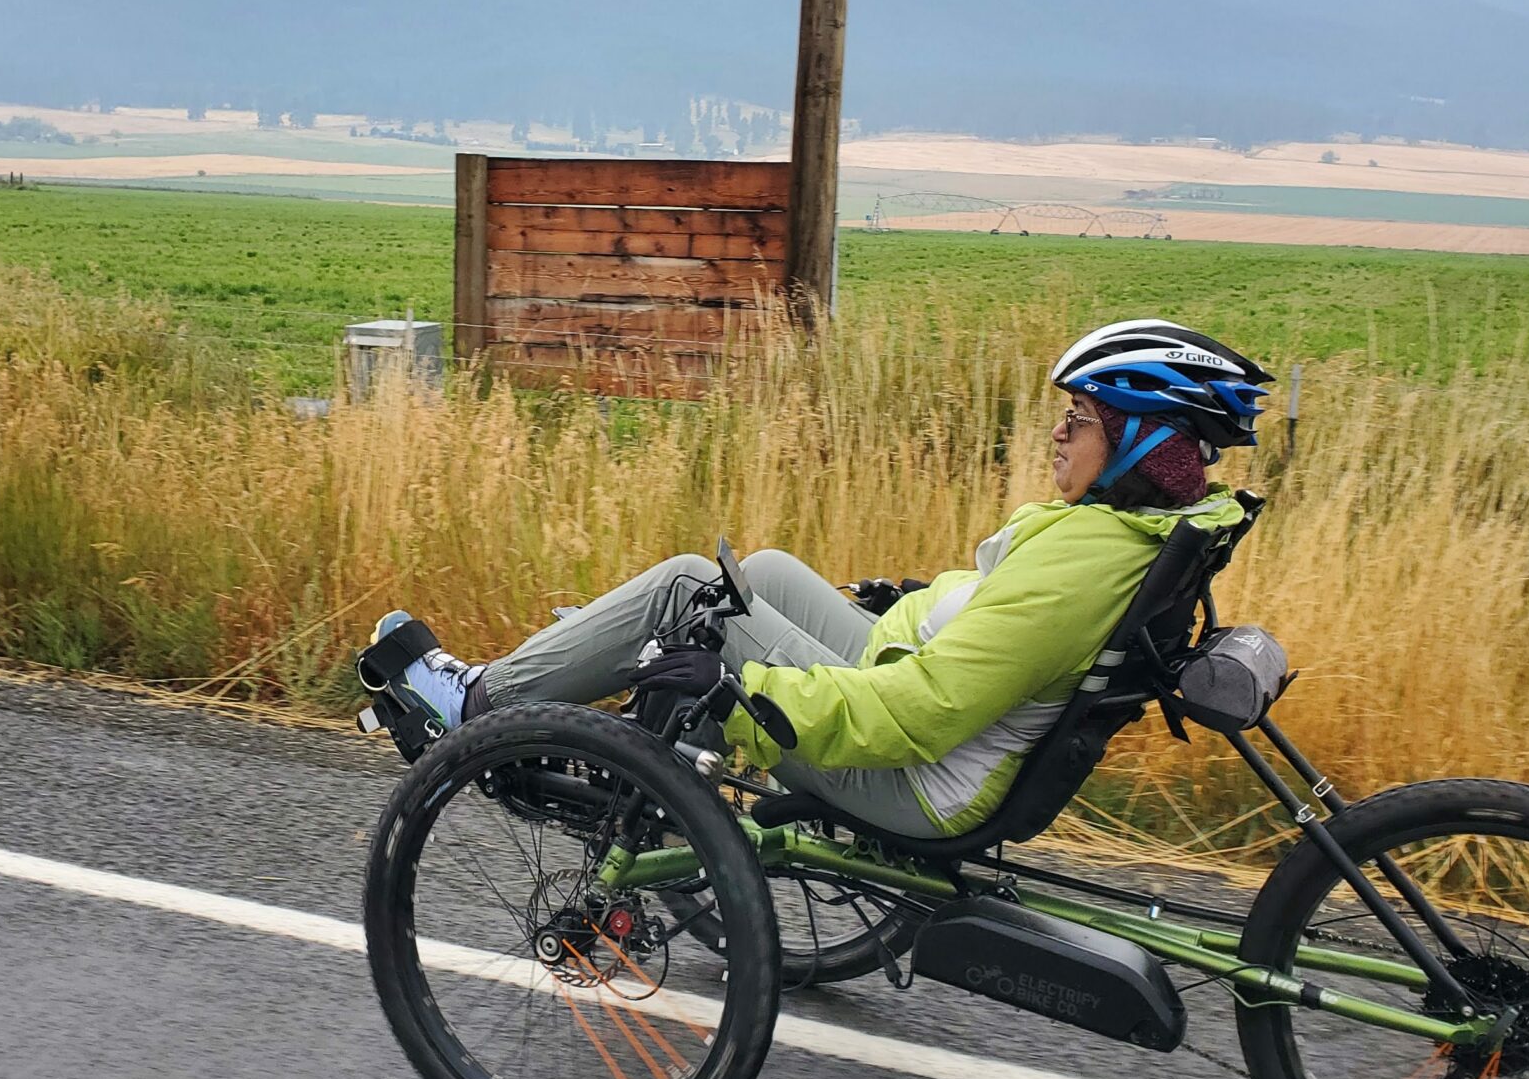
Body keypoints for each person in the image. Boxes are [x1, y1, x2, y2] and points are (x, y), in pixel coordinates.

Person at [364, 319, 1269, 839]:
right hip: (927, 719)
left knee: (691, 592)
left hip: (919, 778)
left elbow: (922, 713)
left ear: (1143, 440)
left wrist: (742, 687)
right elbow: (985, 628)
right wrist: (897, 606)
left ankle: (478, 704)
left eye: (1077, 420)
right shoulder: (1129, 531)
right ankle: (565, 672)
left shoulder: (1091, 557)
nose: (1057, 437)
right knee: (761, 572)